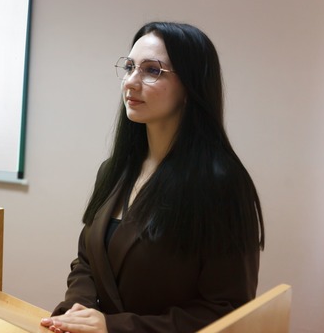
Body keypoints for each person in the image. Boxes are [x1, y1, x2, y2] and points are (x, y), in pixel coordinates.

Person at [41, 22, 265, 333]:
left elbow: (226, 310)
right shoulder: (114, 170)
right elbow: (87, 261)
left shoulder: (222, 184)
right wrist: (77, 311)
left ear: (191, 87)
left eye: (152, 70)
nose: (130, 82)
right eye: (129, 67)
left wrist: (114, 327)